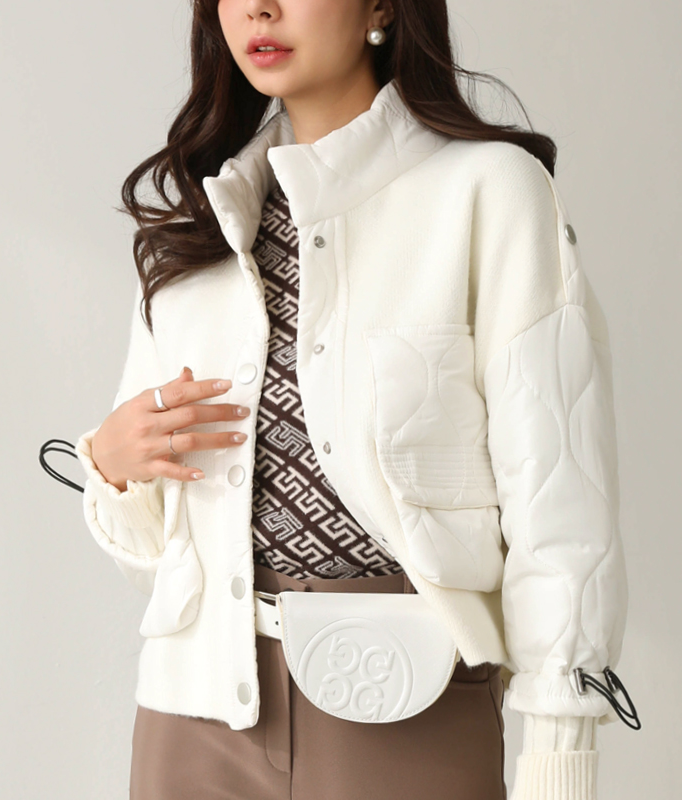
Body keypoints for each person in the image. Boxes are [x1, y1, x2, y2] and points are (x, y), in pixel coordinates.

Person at [74, 1, 638, 798]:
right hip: (195, 719)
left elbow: (561, 503)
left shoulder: (487, 192)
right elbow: (165, 562)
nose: (259, 8)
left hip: (408, 701)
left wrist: (560, 757)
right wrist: (112, 471)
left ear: (382, 5)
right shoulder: (199, 231)